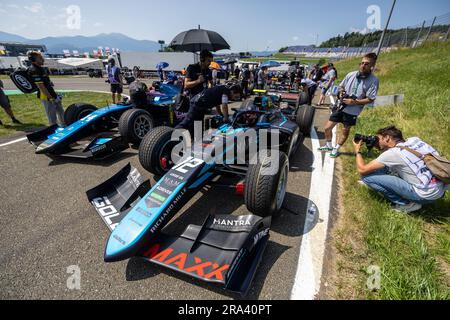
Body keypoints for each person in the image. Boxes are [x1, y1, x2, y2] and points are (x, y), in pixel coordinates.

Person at [353, 126, 447, 213]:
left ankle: (407, 204)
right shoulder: (415, 140)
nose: (377, 142)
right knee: (388, 165)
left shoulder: (393, 153)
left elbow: (362, 169)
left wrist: (357, 150)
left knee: (367, 178)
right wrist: (379, 147)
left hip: (424, 195)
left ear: (387, 138)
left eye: (379, 139)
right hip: (440, 188)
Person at [318, 53, 379, 158]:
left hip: (353, 111)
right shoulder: (351, 74)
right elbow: (341, 87)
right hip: (341, 107)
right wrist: (341, 92)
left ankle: (336, 149)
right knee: (327, 128)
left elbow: (370, 99)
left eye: (366, 64)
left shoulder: (374, 80)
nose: (363, 65)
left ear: (371, 66)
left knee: (345, 131)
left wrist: (354, 102)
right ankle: (328, 145)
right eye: (362, 63)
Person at [175, 83, 242, 134]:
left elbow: (217, 104)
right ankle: (170, 134)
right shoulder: (226, 91)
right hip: (197, 103)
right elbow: (224, 106)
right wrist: (226, 118)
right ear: (233, 91)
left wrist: (221, 114)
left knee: (198, 126)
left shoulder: (222, 89)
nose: (235, 99)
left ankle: (196, 143)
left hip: (200, 104)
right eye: (236, 97)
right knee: (186, 122)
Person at [27, 51, 65, 127]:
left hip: (51, 92)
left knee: (60, 111)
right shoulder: (34, 70)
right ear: (34, 59)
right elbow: (41, 87)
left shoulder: (41, 68)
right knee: (52, 115)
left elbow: (45, 81)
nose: (43, 59)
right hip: (45, 95)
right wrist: (50, 98)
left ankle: (64, 125)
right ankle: (53, 130)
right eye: (40, 58)